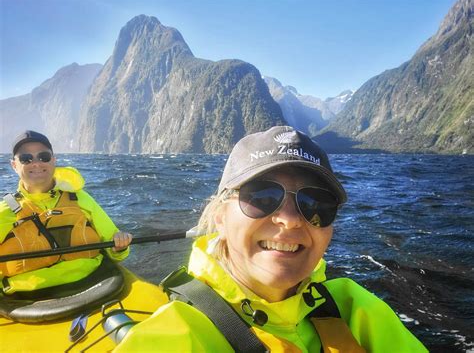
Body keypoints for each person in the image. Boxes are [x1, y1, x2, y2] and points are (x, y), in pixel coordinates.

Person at [114, 126, 427, 352]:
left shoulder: (356, 308)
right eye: (262, 197)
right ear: (221, 218)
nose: (289, 219)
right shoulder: (174, 336)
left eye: (316, 204)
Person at [0, 130, 132, 294]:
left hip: (94, 282)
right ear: (14, 165)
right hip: (26, 297)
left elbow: (117, 252)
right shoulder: (5, 211)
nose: (36, 163)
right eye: (26, 159)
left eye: (44, 157)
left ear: (53, 161)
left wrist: (120, 245)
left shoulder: (80, 198)